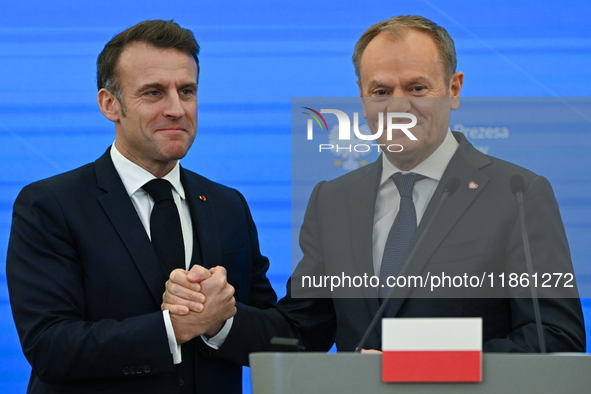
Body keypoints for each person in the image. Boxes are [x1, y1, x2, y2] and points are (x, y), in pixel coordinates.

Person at [163, 15, 586, 361]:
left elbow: (555, 338)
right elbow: (299, 331)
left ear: (453, 90)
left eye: (417, 88)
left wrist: (415, 363)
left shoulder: (517, 192)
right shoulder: (334, 199)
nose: (398, 106)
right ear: (363, 99)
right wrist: (217, 320)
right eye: (381, 91)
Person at [6, 20, 276, 393]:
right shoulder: (50, 205)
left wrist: (219, 322)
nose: (176, 109)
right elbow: (50, 346)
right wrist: (173, 328)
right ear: (110, 104)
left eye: (187, 91)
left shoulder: (228, 205)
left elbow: (275, 337)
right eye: (153, 93)